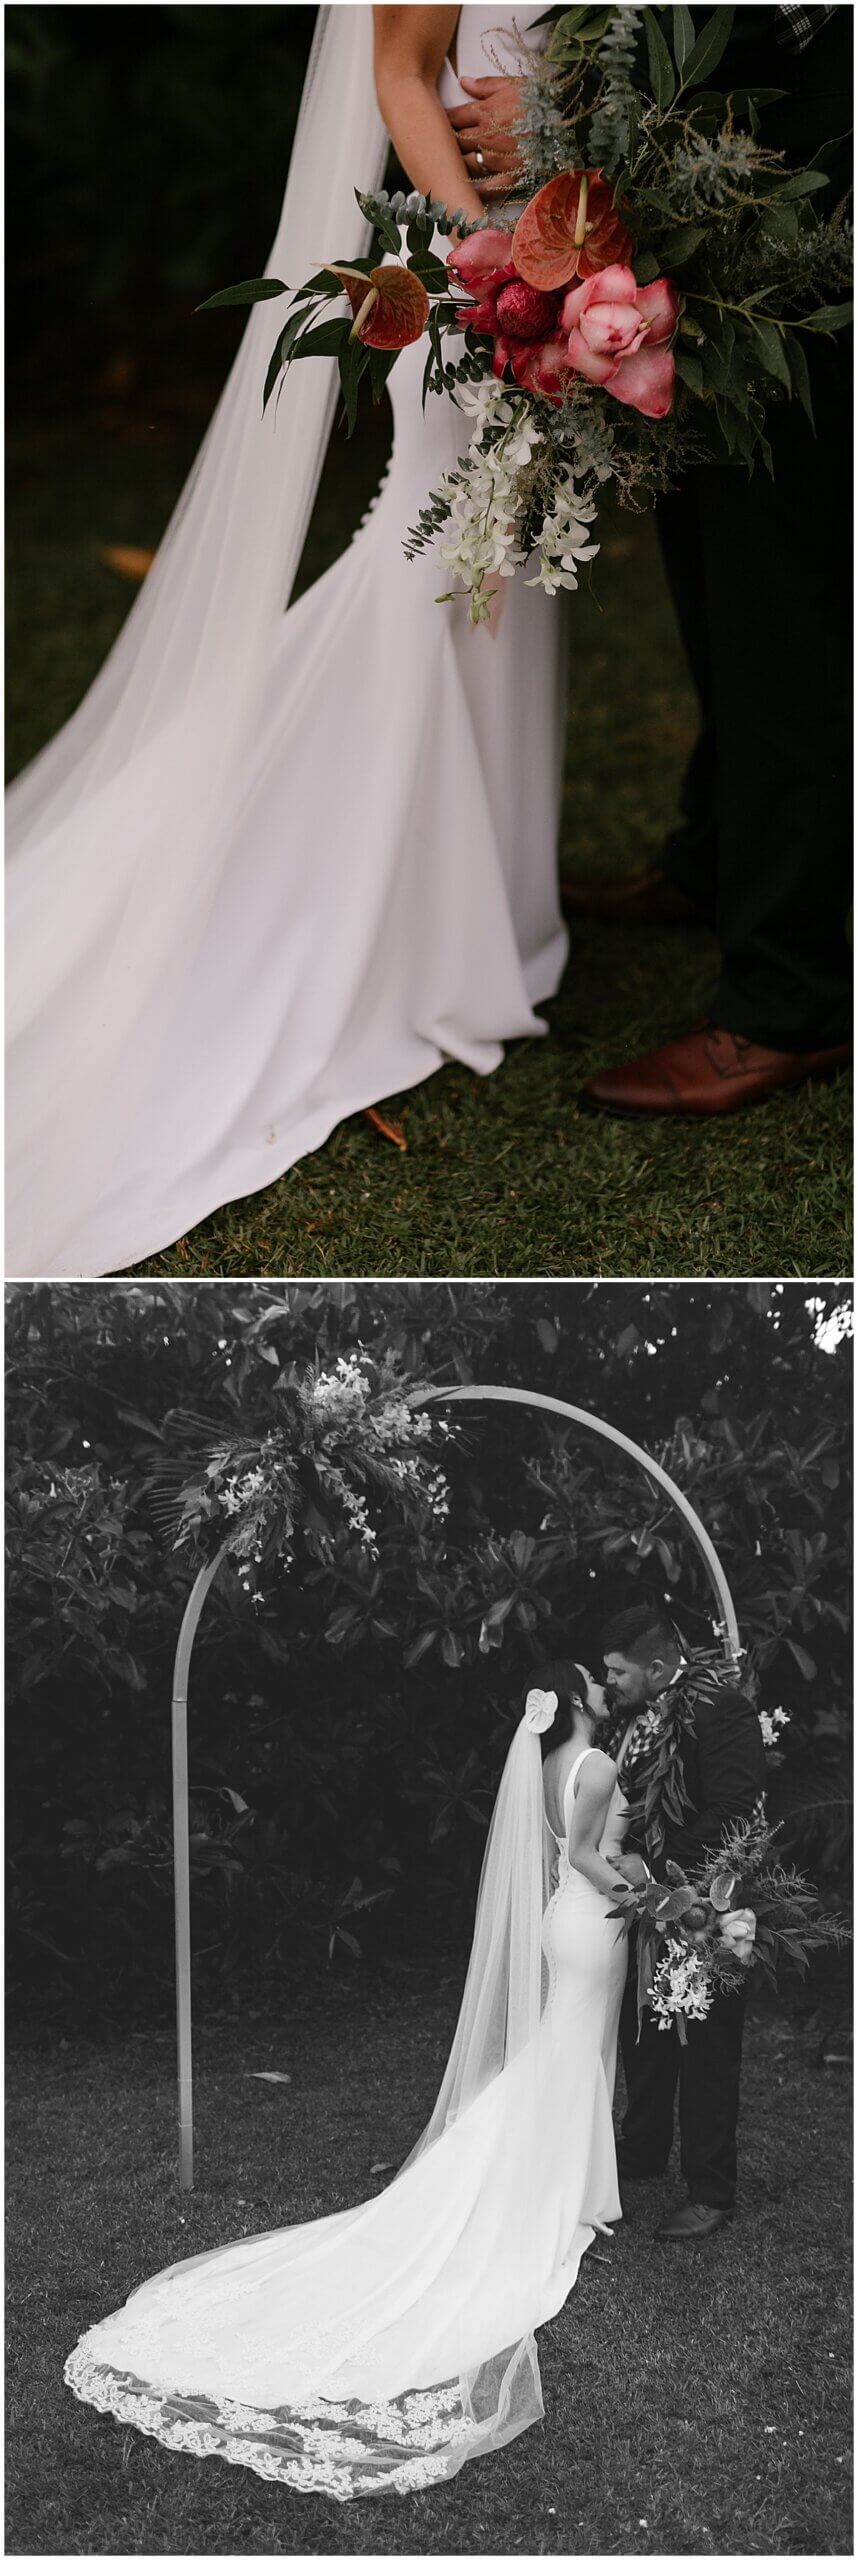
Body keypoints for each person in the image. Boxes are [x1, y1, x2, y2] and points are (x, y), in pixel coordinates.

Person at [6, 5, 569, 1278]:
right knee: (434, 565)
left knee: (497, 576)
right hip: (484, 272)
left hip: (558, 248)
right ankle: (394, 920)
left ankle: (477, 901)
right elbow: (398, 73)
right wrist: (494, 260)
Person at [65, 1668, 630, 2497]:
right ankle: (556, 2191)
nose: (609, 1686)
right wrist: (664, 1901)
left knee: (560, 2057)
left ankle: (567, 2179)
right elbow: (588, 1857)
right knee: (570, 2055)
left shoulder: (548, 1764)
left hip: (566, 1922)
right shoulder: (601, 1763)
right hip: (591, 1917)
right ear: (579, 1696)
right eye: (598, 1678)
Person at [452, 4, 853, 1116]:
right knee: (711, 519)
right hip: (731, 122)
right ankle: (715, 851)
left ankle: (791, 995)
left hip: (805, 133)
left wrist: (567, 115)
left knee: (780, 570)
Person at [601, 1604, 767, 2242]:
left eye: (620, 1672)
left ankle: (710, 2189)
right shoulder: (636, 1719)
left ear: (660, 1666)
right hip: (649, 1906)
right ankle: (640, 2153)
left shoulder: (720, 1709)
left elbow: (735, 1809)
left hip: (706, 1909)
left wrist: (658, 1870)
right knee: (643, 2035)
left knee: (707, 2050)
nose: (610, 1682)